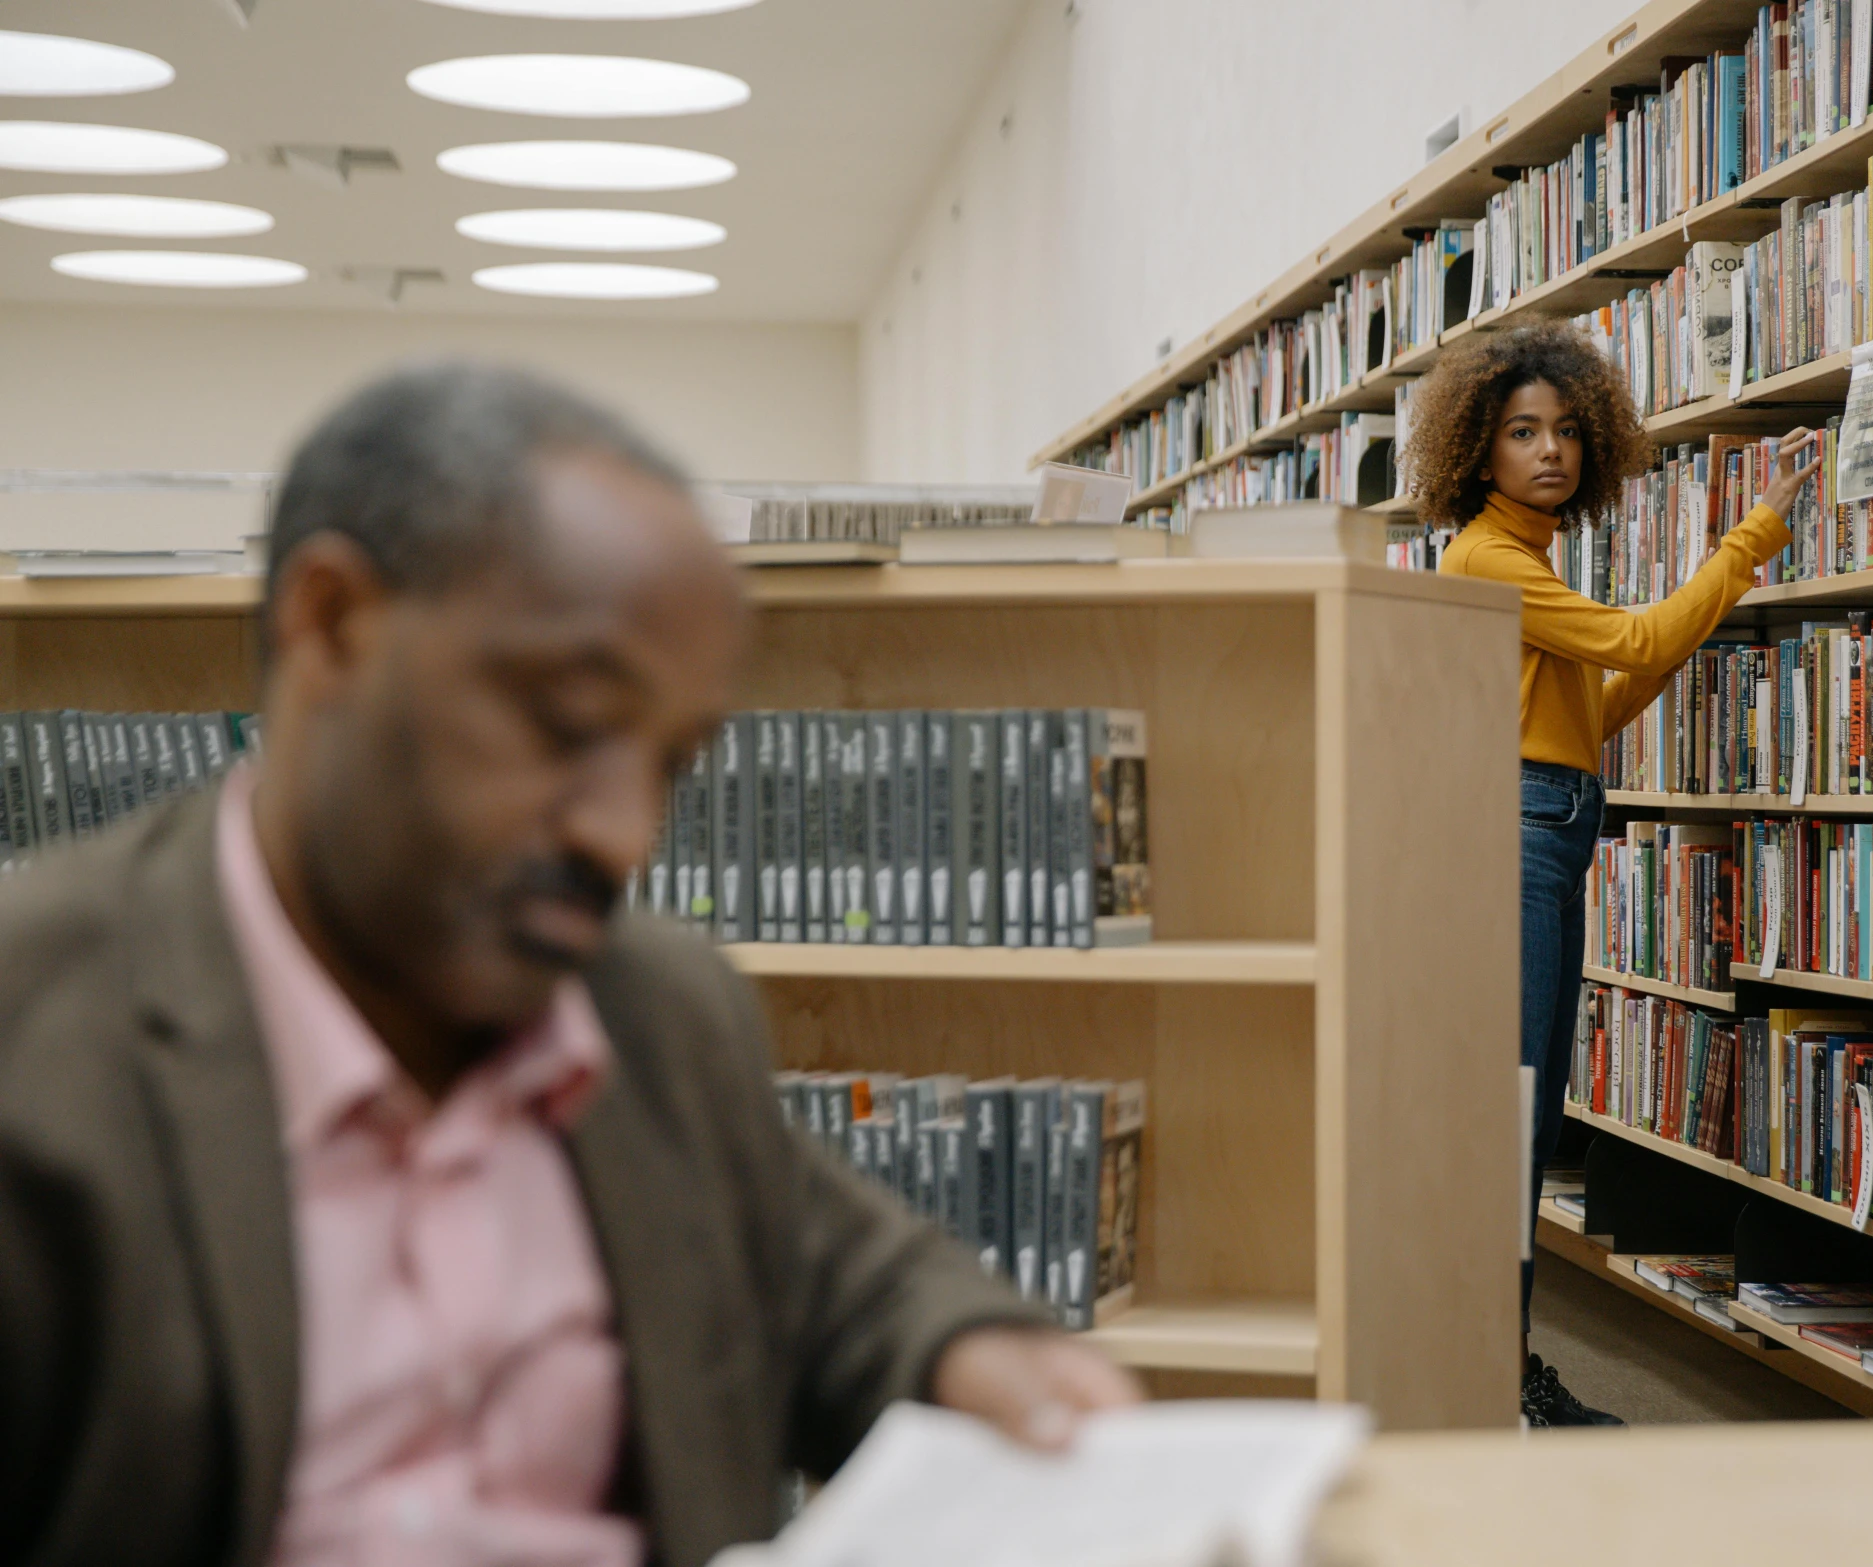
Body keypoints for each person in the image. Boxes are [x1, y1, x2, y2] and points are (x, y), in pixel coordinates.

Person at [0, 362, 1139, 1567]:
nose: (620, 832)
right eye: (565, 721)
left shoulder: (654, 1010)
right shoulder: (41, 1046)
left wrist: (981, 1353)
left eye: (670, 764)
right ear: (330, 622)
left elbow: (846, 1276)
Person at [1414, 321, 1818, 1428]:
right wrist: (1751, 542)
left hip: (1548, 821)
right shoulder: (1491, 557)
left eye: (1563, 432)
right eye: (1519, 433)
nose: (1549, 452)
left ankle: (1499, 1369)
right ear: (1476, 451)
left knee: (1527, 1113)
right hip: (1520, 835)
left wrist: (1688, 629)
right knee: (1514, 1118)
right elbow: (1637, 645)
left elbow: (1599, 704)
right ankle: (1492, 1377)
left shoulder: (1524, 558)